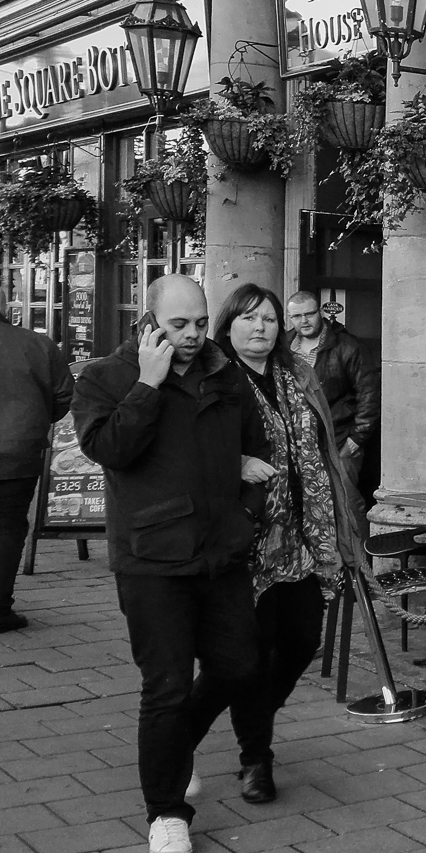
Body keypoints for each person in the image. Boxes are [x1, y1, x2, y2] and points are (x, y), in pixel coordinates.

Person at [73, 275, 274, 853]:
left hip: (221, 550)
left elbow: (256, 449)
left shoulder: (224, 373)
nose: (191, 335)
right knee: (165, 686)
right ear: (149, 320)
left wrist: (245, 512)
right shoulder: (105, 376)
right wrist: (147, 384)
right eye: (178, 324)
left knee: (239, 665)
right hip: (151, 559)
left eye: (199, 323)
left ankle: (171, 748)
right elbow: (108, 449)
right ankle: (166, 813)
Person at [187, 285, 366, 808]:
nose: (260, 327)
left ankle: (237, 725)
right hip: (244, 542)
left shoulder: (297, 374)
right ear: (227, 326)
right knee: (242, 658)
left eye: (268, 318)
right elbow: (191, 450)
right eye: (248, 318)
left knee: (302, 641)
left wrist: (339, 519)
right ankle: (246, 755)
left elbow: (322, 450)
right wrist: (235, 463)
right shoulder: (214, 380)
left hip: (302, 537)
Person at [0, 306, 74, 631]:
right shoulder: (39, 344)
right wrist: (39, 418)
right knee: (8, 527)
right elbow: (64, 395)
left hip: (19, 446)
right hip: (19, 450)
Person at [283, 292, 379, 502]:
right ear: (289, 318)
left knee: (345, 503)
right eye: (297, 316)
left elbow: (369, 396)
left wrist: (355, 440)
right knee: (307, 505)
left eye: (309, 314)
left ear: (320, 312)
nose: (304, 321)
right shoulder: (283, 347)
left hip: (339, 440)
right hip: (297, 442)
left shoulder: (348, 346)